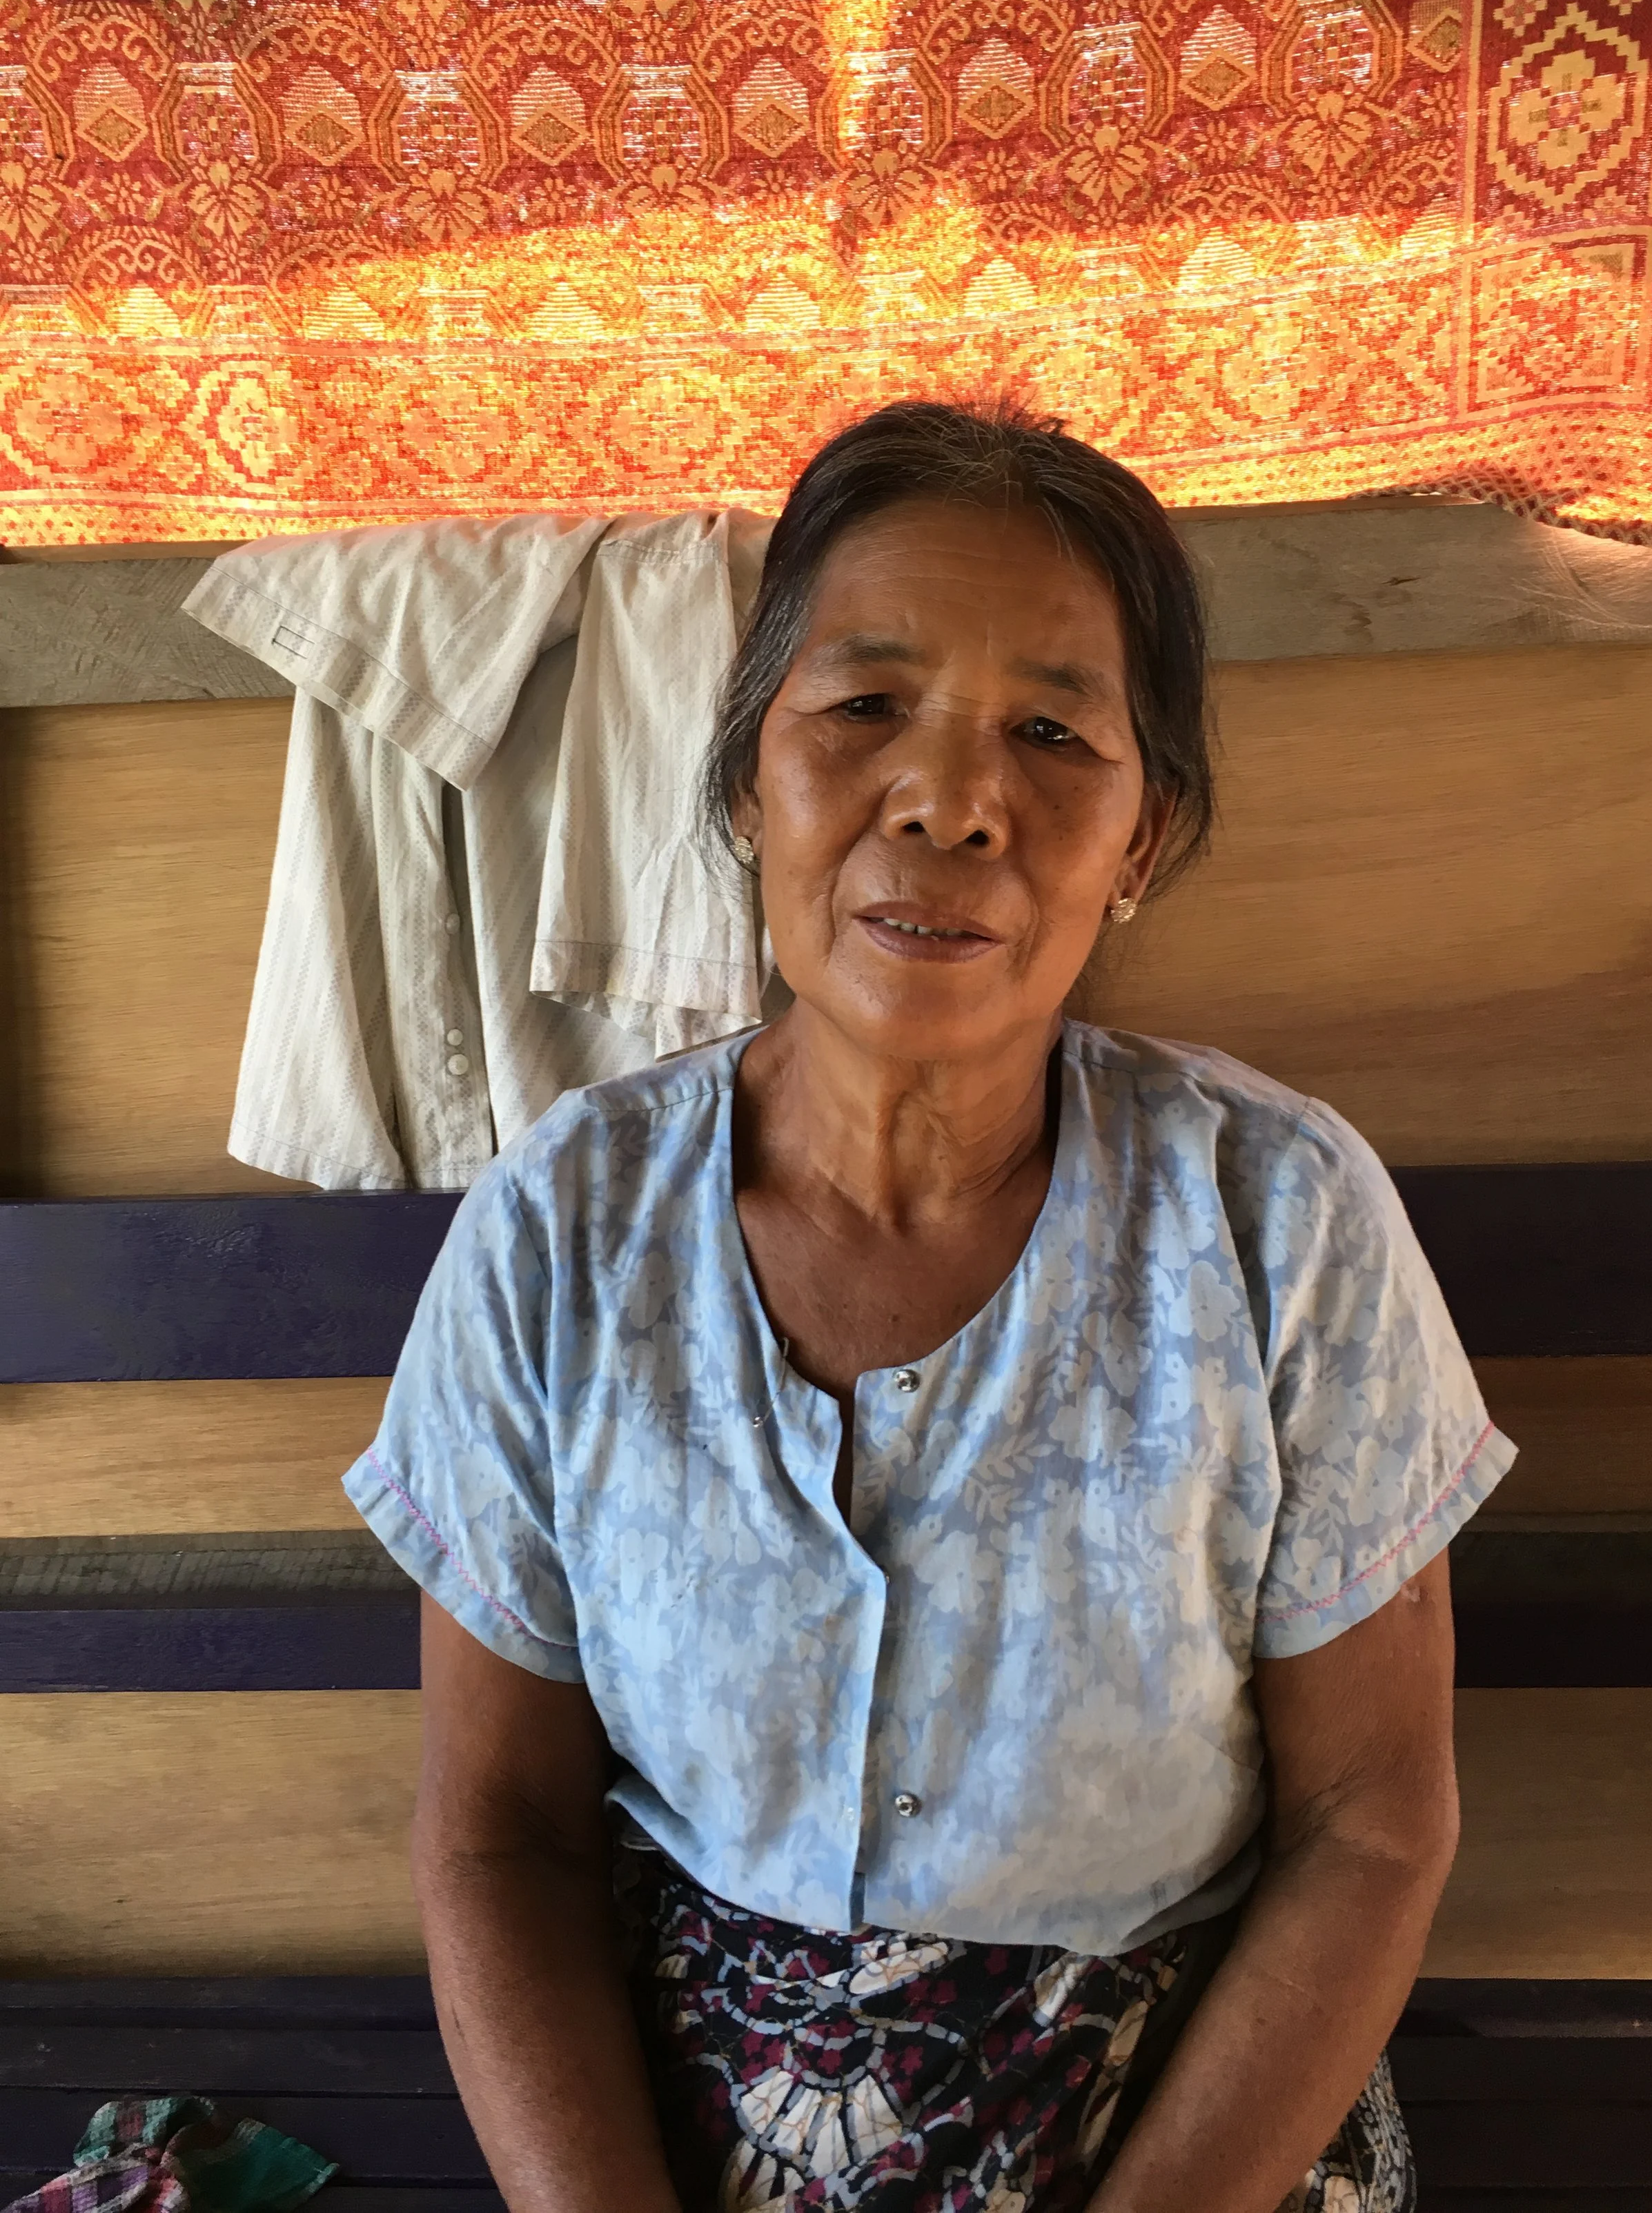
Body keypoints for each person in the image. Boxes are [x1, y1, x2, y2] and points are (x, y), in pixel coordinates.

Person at [347, 400, 1515, 2213]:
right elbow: (493, 1834)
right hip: (681, 2136)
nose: (954, 800)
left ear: (1143, 835)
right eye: (863, 706)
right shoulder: (562, 1233)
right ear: (749, 778)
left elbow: (1370, 1822)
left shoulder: (1279, 1222)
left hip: (1178, 2138)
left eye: (1051, 732)